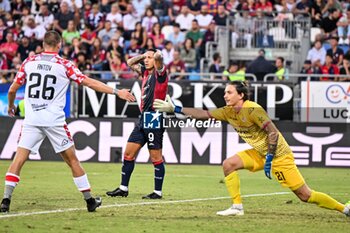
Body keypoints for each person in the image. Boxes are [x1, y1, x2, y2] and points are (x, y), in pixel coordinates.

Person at [153, 81, 350, 217]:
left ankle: (344, 209)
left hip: (279, 156)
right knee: (229, 164)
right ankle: (237, 207)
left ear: (241, 95)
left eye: (229, 92)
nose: (225, 95)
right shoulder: (228, 111)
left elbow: (273, 133)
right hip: (260, 153)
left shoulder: (253, 109)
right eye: (224, 92)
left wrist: (271, 158)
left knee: (305, 196)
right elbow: (203, 114)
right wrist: (176, 109)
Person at [0, 31, 135, 213]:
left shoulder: (29, 62)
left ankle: (6, 200)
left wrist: (10, 106)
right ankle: (89, 201)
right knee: (72, 160)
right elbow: (88, 82)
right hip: (54, 121)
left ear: (43, 43)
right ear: (59, 44)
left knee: (18, 159)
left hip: (32, 120)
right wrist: (117, 92)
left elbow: (12, 89)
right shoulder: (64, 65)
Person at [106, 48, 168, 199]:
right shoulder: (145, 72)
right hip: (142, 118)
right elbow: (129, 62)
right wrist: (144, 56)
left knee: (155, 157)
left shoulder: (160, 74)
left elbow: (159, 59)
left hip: (154, 117)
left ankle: (157, 192)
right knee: (128, 154)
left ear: (156, 60)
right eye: (145, 58)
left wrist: (157, 55)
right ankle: (123, 188)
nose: (146, 60)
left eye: (149, 58)